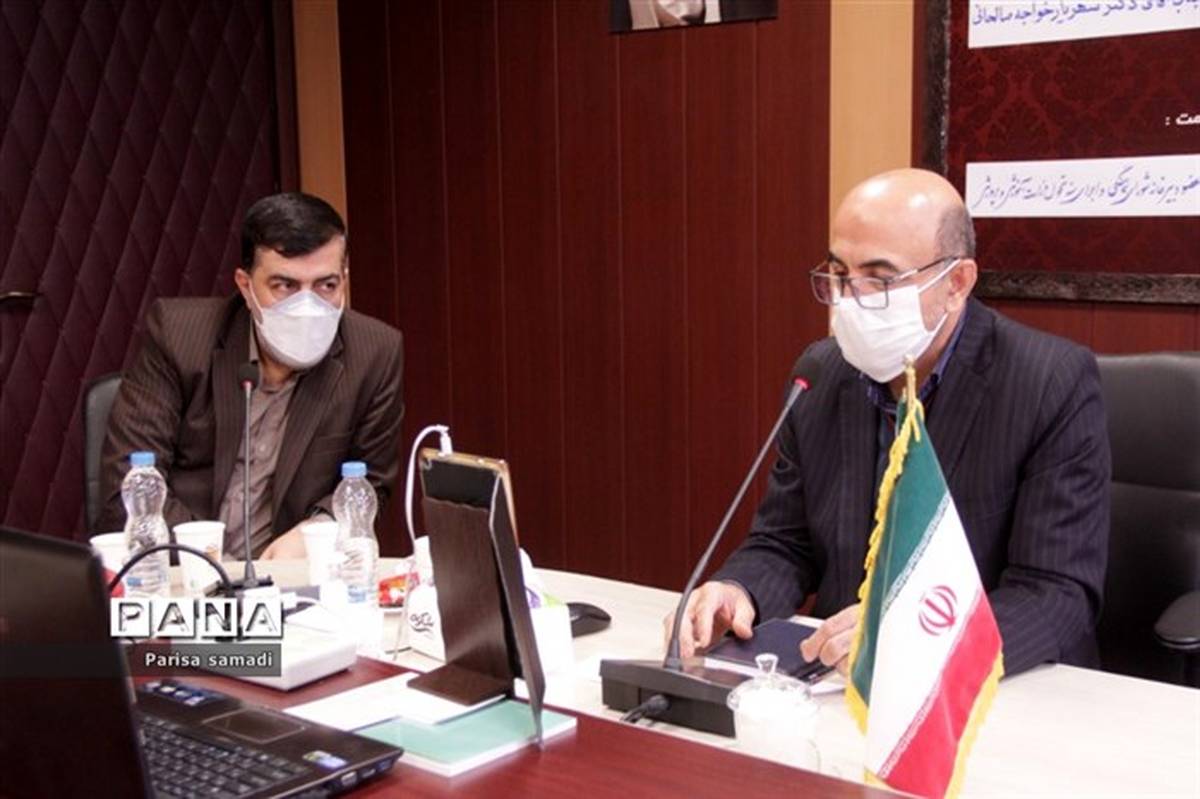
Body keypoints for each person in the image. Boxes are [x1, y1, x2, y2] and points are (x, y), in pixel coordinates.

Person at [672, 168, 1110, 678]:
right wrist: (738, 590)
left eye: (879, 280)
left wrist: (917, 637)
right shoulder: (821, 374)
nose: (849, 299)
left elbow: (1055, 594)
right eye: (839, 275)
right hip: (839, 680)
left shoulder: (1049, 382)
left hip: (994, 692)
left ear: (957, 283)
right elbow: (785, 542)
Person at [97, 192, 404, 559]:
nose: (307, 306)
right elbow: (128, 488)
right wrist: (215, 568)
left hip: (292, 580)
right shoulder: (179, 337)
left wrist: (320, 529)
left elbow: (371, 482)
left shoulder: (374, 353)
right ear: (245, 285)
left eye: (327, 285)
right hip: (182, 572)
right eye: (285, 286)